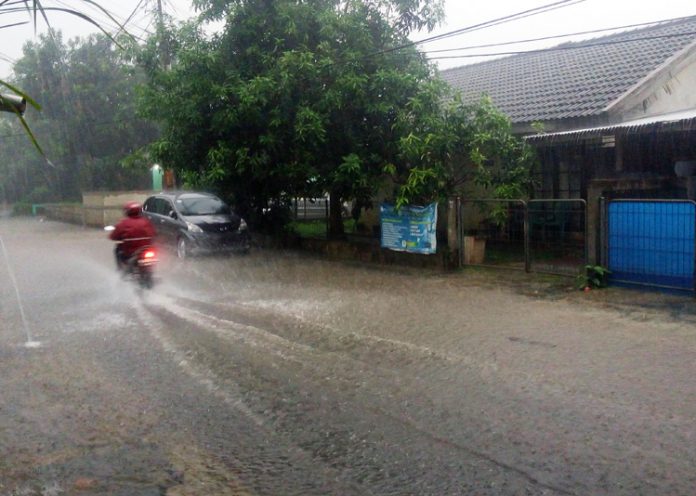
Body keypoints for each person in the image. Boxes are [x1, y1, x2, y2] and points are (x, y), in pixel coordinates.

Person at [109, 201, 156, 269]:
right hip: (146, 250)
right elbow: (154, 233)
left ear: (127, 212)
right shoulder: (146, 222)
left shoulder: (124, 223)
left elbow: (113, 236)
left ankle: (120, 268)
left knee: (117, 249)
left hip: (130, 252)